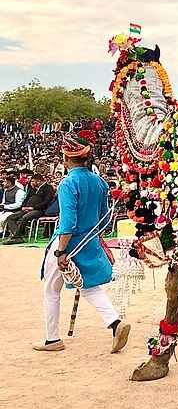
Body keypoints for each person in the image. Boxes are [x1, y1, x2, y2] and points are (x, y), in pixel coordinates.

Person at [36, 130, 132, 352]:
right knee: (88, 286)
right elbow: (103, 216)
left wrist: (61, 252)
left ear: (66, 157)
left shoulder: (68, 183)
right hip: (89, 242)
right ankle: (116, 323)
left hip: (67, 244)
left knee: (51, 290)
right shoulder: (99, 182)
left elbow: (68, 222)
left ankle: (52, 339)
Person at [3, 173, 56, 243]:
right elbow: (26, 199)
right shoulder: (32, 189)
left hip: (40, 210)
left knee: (25, 217)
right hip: (26, 208)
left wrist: (33, 208)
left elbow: (46, 202)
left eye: (33, 181)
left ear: (39, 181)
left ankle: (17, 237)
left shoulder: (48, 188)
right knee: (10, 217)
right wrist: (23, 207)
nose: (32, 183)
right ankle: (18, 236)